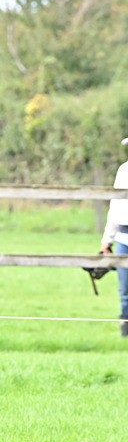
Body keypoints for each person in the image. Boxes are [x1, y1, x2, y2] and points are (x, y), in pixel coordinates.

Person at [98, 137, 128, 337]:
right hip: (124, 236)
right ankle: (125, 329)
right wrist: (106, 240)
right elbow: (115, 206)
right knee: (125, 288)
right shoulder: (124, 170)